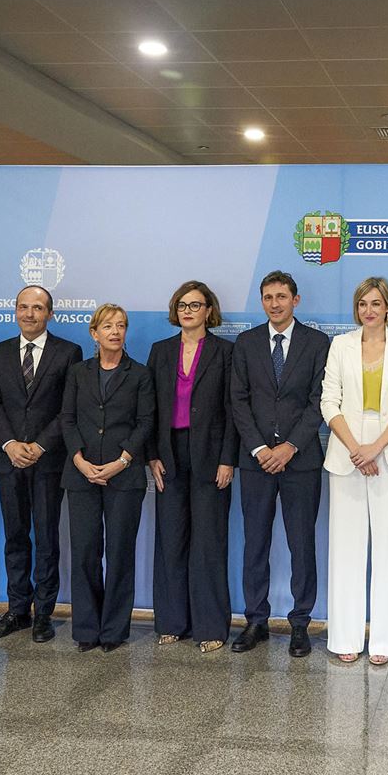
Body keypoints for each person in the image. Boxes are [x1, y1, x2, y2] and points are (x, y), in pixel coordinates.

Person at [321, 276, 388, 665]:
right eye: (363, 304)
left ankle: (385, 641)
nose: (369, 311)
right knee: (345, 549)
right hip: (346, 451)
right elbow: (330, 401)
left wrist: (374, 448)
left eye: (376, 304)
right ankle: (344, 636)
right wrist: (355, 449)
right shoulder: (340, 345)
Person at [229, 271, 329, 657]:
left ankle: (300, 622)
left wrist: (289, 447)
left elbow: (319, 400)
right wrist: (259, 449)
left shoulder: (318, 343)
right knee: (255, 543)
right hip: (256, 463)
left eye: (282, 296)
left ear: (296, 300)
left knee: (301, 543)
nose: (275, 303)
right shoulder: (247, 343)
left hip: (300, 461)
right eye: (268, 297)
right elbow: (237, 400)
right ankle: (256, 620)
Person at [0, 285, 83, 644]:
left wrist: (39, 445)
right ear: (15, 311)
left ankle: (44, 613)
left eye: (37, 308)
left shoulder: (69, 352)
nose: (29, 314)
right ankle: (17, 610)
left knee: (46, 538)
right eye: (23, 307)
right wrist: (9, 444)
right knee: (15, 537)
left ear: (50, 314)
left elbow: (67, 410)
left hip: (48, 460)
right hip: (9, 461)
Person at [147, 281, 238, 654]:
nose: (188, 311)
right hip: (168, 454)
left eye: (195, 305)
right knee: (171, 540)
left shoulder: (225, 352)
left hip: (210, 456)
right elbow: (150, 409)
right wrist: (151, 455)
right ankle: (172, 622)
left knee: (209, 542)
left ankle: (211, 626)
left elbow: (233, 411)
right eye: (182, 305)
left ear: (208, 311)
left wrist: (228, 458)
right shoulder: (160, 351)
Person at [61, 303, 154, 653]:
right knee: (84, 551)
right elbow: (67, 419)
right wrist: (80, 461)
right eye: (107, 326)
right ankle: (86, 627)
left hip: (124, 477)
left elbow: (146, 423)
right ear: (94, 333)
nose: (115, 331)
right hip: (81, 473)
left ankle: (114, 630)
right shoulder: (77, 373)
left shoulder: (140, 374)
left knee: (119, 553)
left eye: (121, 326)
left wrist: (123, 460)